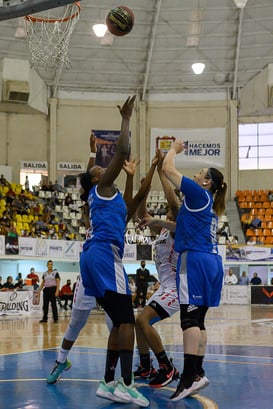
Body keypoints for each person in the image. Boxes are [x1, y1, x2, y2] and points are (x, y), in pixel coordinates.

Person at [162, 138, 227, 400]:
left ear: (206, 182)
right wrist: (156, 221)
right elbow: (184, 228)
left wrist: (173, 151)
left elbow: (168, 169)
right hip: (211, 261)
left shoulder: (199, 193)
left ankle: (187, 378)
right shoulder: (207, 203)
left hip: (196, 261)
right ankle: (198, 373)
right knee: (198, 320)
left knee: (188, 319)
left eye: (200, 173)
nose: (196, 174)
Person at [133, 150, 180, 388]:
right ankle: (145, 365)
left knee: (142, 321)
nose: (168, 208)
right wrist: (145, 188)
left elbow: (173, 202)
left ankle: (167, 367)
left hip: (177, 288)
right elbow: (142, 214)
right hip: (165, 287)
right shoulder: (161, 230)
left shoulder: (177, 227)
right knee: (138, 322)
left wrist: (163, 170)